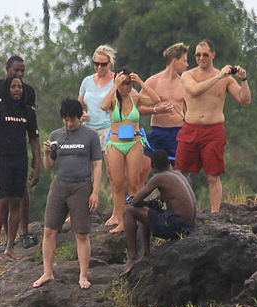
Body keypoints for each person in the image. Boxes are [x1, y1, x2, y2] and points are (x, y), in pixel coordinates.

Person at [32, 98, 102, 291]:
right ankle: (47, 272)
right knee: (49, 230)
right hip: (59, 185)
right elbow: (49, 167)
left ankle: (83, 275)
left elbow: (97, 164)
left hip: (81, 186)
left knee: (81, 233)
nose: (69, 124)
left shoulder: (90, 136)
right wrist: (47, 153)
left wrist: (95, 192)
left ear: (80, 117)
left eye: (72, 120)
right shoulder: (56, 135)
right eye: (66, 120)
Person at [178, 38, 250, 213]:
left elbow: (244, 99)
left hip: (213, 130)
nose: (201, 58)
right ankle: (176, 210)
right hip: (191, 128)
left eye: (205, 55)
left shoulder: (225, 79)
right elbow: (195, 91)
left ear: (213, 55)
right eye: (198, 55)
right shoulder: (188, 75)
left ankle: (214, 213)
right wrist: (219, 76)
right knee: (179, 173)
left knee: (213, 175)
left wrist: (244, 80)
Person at [0, 55, 39, 250]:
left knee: (21, 194)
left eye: (22, 72)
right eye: (15, 71)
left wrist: (36, 164)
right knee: (2, 197)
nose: (19, 75)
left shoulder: (27, 92)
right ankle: (1, 242)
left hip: (19, 154)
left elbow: (33, 133)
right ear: (7, 69)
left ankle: (23, 233)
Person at [100, 68, 165, 234]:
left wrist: (141, 82)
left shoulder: (135, 97)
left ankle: (136, 219)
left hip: (134, 142)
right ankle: (121, 221)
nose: (125, 87)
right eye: (122, 84)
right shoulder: (113, 98)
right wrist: (114, 86)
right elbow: (103, 106)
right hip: (115, 143)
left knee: (134, 182)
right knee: (117, 183)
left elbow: (155, 100)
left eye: (128, 84)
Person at [121, 148, 198, 275]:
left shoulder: (159, 177)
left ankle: (132, 256)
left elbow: (135, 203)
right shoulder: (177, 174)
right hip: (188, 225)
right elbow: (166, 198)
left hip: (177, 226)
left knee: (129, 210)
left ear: (153, 167)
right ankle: (145, 253)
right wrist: (150, 202)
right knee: (149, 211)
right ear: (168, 163)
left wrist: (139, 201)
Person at [77, 45, 117, 224]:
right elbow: (80, 104)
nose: (99, 68)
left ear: (110, 63)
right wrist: (81, 114)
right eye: (96, 64)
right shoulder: (87, 82)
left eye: (103, 64)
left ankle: (118, 210)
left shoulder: (116, 80)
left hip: (109, 128)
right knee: (84, 170)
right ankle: (80, 209)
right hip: (89, 129)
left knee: (111, 171)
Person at [139, 43, 189, 184]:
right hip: (158, 132)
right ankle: (136, 202)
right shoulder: (154, 81)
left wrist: (188, 120)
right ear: (174, 61)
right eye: (184, 61)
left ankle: (174, 203)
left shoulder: (184, 83)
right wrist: (156, 110)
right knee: (143, 170)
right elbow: (137, 108)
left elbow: (189, 110)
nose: (187, 64)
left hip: (178, 133)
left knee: (181, 173)